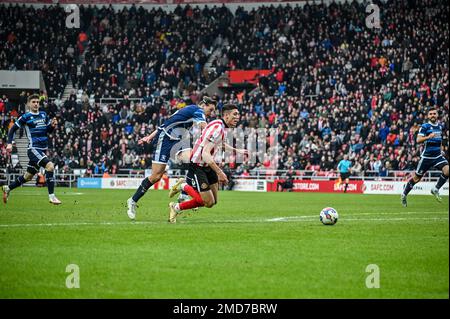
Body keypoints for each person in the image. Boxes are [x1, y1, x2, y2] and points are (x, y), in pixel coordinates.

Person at [126, 96, 217, 220]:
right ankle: (132, 200)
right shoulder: (198, 111)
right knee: (156, 176)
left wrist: (149, 136)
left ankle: (184, 192)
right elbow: (204, 127)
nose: (211, 113)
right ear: (204, 105)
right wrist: (215, 136)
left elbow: (165, 123)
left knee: (194, 160)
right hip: (165, 140)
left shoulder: (189, 110)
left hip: (179, 141)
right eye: (210, 110)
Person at [167, 104, 242, 223]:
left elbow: (219, 143)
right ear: (226, 115)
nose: (238, 117)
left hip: (207, 165)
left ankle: (179, 196)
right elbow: (205, 154)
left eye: (238, 114)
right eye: (235, 114)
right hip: (198, 166)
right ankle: (181, 191)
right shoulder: (218, 128)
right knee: (206, 202)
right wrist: (220, 172)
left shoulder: (219, 125)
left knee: (213, 201)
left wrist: (236, 150)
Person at [2, 94, 61, 205]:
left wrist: (53, 126)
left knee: (28, 176)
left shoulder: (43, 115)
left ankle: (8, 188)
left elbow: (48, 131)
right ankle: (52, 196)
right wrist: (9, 143)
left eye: (37, 102)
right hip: (33, 149)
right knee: (50, 166)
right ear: (28, 104)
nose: (36, 104)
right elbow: (12, 129)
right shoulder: (26, 117)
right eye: (33, 102)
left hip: (42, 150)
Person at [401, 107, 448, 207]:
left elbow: (439, 140)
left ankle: (435, 189)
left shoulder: (439, 127)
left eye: (434, 114)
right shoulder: (425, 126)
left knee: (447, 170)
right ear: (428, 116)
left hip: (437, 156)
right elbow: (418, 140)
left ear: (437, 115)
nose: (432, 115)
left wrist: (441, 150)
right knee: (417, 178)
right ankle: (404, 194)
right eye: (430, 114)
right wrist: (428, 137)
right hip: (426, 157)